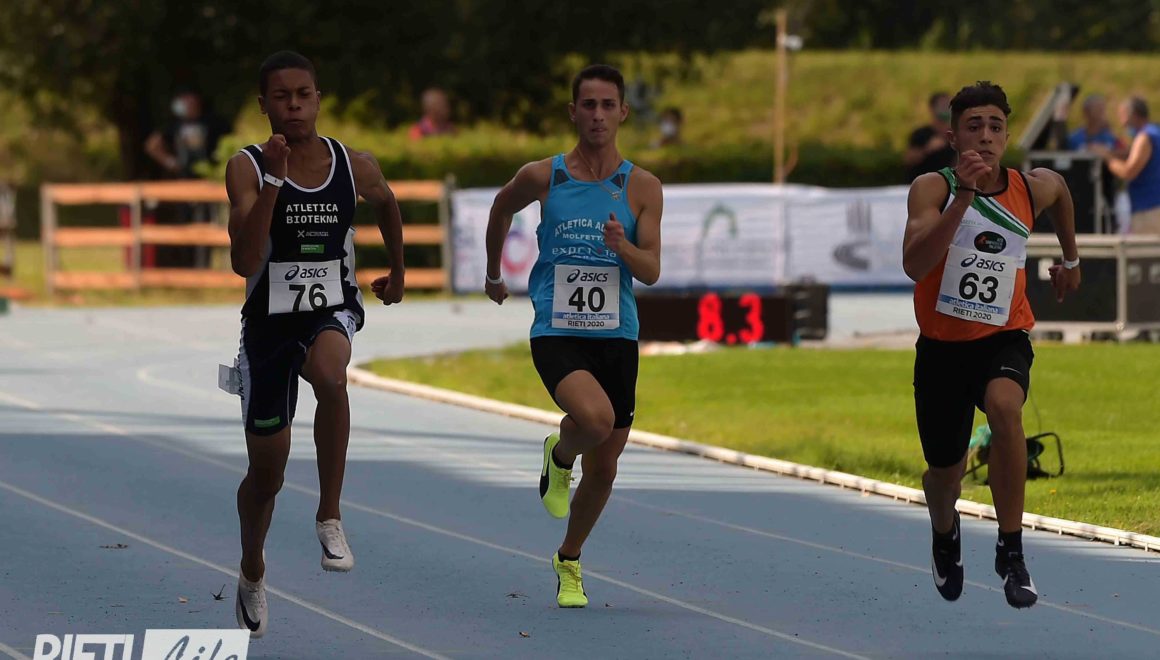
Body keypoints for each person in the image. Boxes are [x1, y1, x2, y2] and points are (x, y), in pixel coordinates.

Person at [224, 50, 405, 638]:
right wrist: (275, 182)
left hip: (330, 309)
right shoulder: (247, 167)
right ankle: (253, 567)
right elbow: (244, 260)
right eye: (282, 97)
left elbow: (387, 201)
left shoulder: (353, 164)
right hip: (268, 327)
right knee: (266, 476)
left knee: (331, 374)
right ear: (264, 106)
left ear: (319, 99)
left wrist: (398, 273)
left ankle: (329, 514)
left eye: (304, 95)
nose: (295, 106)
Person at [483, 64, 663, 608]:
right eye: (589, 105)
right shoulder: (545, 176)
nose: (598, 115)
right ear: (573, 112)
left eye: (608, 105)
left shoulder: (643, 187)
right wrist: (493, 273)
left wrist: (622, 247)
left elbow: (651, 270)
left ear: (623, 112)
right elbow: (500, 207)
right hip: (557, 330)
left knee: (604, 467)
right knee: (596, 421)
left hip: (617, 335)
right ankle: (560, 455)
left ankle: (569, 558)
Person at [902, 81, 1080, 610]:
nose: (985, 136)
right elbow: (915, 264)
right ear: (953, 137)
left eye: (995, 127)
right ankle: (944, 532)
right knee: (944, 474)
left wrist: (1070, 260)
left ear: (1006, 136)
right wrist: (963, 196)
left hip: (1003, 335)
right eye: (973, 126)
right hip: (942, 348)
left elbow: (1061, 191)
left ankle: (1012, 549)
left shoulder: (1029, 187)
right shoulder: (931, 189)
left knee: (1006, 409)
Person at [1089, 97, 1160, 236]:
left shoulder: (1144, 137)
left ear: (1133, 115)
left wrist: (1107, 157)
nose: (1122, 123)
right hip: (1151, 207)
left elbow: (1128, 172)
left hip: (1149, 209)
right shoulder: (1154, 132)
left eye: (1122, 116)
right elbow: (1131, 153)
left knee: (1146, 250)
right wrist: (1111, 152)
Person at [905, 92, 957, 182]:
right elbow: (908, 160)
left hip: (947, 185)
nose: (946, 108)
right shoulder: (921, 133)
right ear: (932, 108)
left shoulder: (957, 134)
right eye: (943, 105)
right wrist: (927, 149)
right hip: (921, 184)